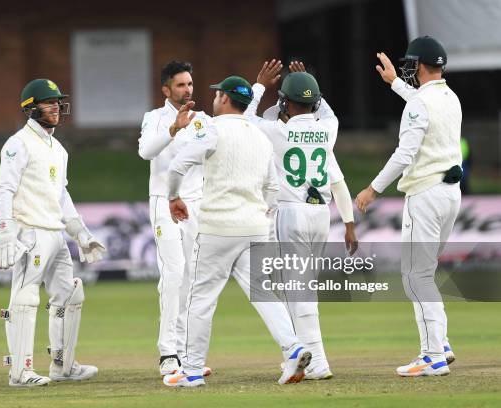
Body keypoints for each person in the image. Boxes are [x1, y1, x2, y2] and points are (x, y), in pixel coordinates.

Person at [162, 76, 312, 388]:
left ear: (225, 99)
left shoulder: (212, 129)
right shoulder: (259, 135)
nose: (214, 98)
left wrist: (174, 197)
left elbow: (177, 166)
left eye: (217, 94)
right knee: (264, 294)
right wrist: (263, 212)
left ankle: (190, 370)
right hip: (255, 227)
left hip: (218, 227)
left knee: (200, 299)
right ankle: (293, 347)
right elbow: (272, 187)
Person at [245, 60, 358, 380]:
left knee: (298, 291)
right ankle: (299, 357)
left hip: (291, 212)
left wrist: (259, 86)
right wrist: (309, 81)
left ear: (286, 102)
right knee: (298, 287)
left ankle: (318, 362)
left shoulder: (278, 131)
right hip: (321, 215)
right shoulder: (328, 128)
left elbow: (245, 119)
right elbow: (327, 111)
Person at [355, 36, 461, 376]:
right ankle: (440, 343)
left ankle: (432, 356)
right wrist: (395, 83)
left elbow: (405, 153)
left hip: (426, 194)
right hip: (450, 195)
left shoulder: (419, 103)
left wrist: (373, 188)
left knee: (415, 275)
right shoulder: (450, 97)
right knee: (424, 273)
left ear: (419, 65)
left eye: (410, 65)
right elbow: (420, 103)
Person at [0, 78, 104, 387]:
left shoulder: (58, 148)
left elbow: (61, 195)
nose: (56, 107)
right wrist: (4, 230)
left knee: (69, 294)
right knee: (25, 298)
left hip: (55, 233)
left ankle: (62, 365)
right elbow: (5, 188)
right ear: (31, 108)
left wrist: (80, 232)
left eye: (58, 102)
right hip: (30, 231)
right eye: (48, 102)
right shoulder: (18, 143)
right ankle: (20, 372)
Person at [138, 61, 212, 376]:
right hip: (163, 204)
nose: (187, 90)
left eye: (190, 84)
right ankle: (167, 352)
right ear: (166, 89)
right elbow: (145, 152)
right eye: (180, 85)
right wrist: (173, 129)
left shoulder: (204, 120)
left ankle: (185, 353)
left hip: (196, 204)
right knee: (173, 273)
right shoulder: (154, 119)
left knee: (192, 277)